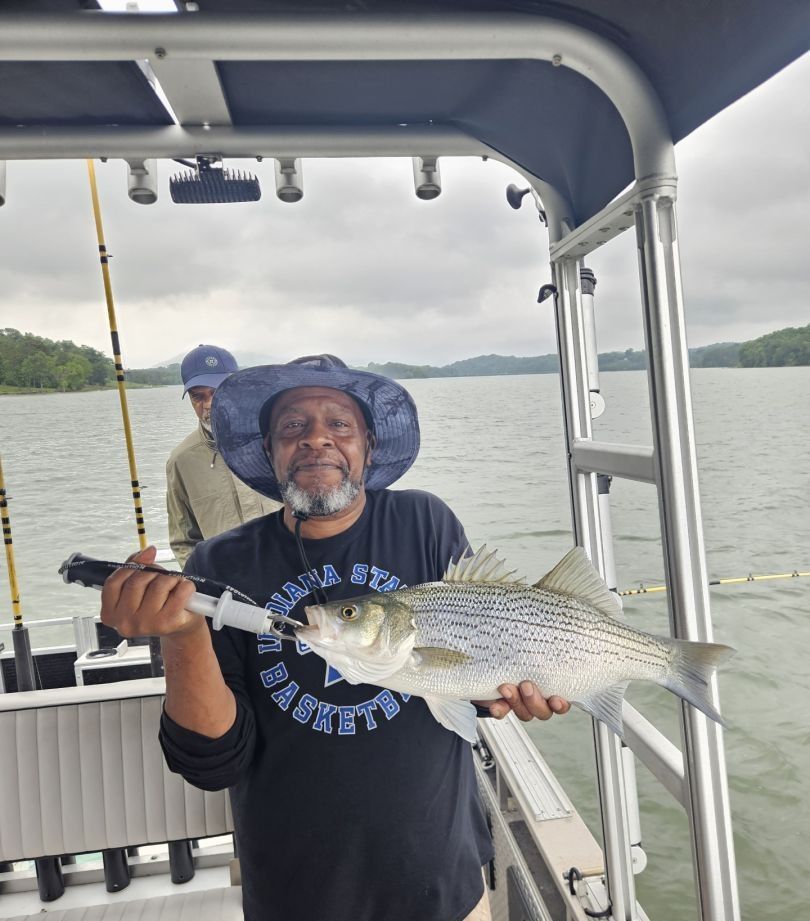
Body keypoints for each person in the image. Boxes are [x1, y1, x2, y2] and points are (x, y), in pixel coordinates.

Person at [101, 355, 569, 921]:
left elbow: (474, 658)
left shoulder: (426, 521)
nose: (315, 439)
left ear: (368, 447)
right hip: (294, 888)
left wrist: (504, 695)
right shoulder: (219, 561)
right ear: (269, 452)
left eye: (339, 425)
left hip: (441, 872)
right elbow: (212, 762)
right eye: (292, 427)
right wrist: (181, 633)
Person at [166, 344, 281, 566]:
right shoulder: (181, 461)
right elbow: (183, 540)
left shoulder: (275, 441)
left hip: (290, 579)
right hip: (226, 590)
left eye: (217, 391)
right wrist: (204, 585)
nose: (208, 404)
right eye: (197, 396)